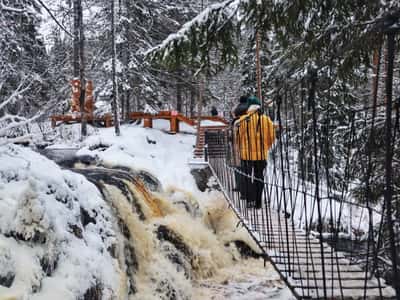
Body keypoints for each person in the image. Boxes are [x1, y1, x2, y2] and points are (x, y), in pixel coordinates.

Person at [235, 96, 275, 209]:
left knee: (247, 177)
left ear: (249, 106)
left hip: (246, 155)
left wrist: (241, 148)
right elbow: (272, 136)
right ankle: (258, 202)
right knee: (259, 177)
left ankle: (249, 200)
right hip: (261, 155)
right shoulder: (266, 120)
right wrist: (265, 147)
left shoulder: (242, 119)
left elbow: (238, 138)